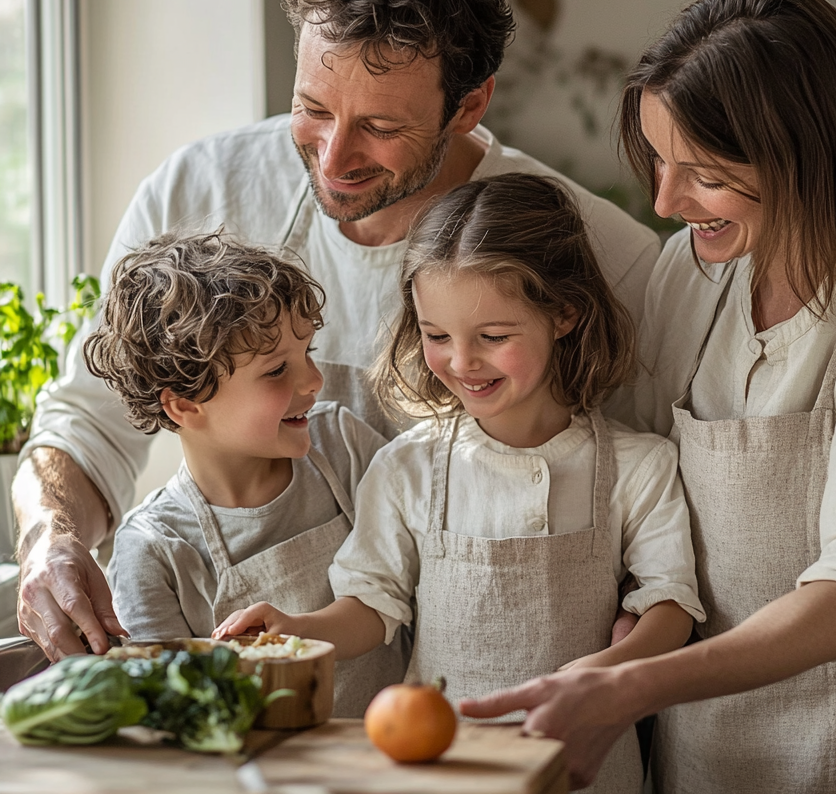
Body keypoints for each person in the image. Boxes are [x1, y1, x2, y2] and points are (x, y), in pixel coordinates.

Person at [14, 0, 660, 661]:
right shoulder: (201, 189)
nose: (333, 157)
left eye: (381, 126)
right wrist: (47, 536)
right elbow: (86, 426)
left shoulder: (593, 250)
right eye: (313, 109)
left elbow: (650, 490)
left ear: (470, 106)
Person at [461, 0, 836, 793]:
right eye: (660, 162)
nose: (667, 200)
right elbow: (629, 462)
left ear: (803, 156)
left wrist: (631, 685)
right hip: (697, 755)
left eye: (703, 174)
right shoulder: (696, 271)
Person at [214, 174, 703, 793]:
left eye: (493, 338)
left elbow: (670, 607)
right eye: (436, 336)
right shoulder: (406, 467)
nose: (462, 363)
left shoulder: (641, 466)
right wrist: (295, 630)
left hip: (589, 769)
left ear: (564, 313)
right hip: (437, 768)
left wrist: (600, 676)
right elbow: (371, 606)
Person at [83, 231, 405, 715]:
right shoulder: (152, 549)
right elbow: (171, 710)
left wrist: (303, 632)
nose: (314, 381)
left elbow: (403, 585)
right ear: (185, 403)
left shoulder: (343, 445)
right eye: (277, 370)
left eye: (308, 354)